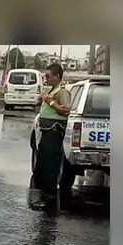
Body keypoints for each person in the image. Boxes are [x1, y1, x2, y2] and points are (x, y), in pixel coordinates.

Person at [31, 63, 72, 209]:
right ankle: (44, 195)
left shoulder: (62, 92)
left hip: (54, 133)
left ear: (57, 76)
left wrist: (50, 101)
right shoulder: (53, 90)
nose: (45, 79)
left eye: (48, 76)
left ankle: (50, 199)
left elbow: (66, 110)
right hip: (46, 132)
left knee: (49, 167)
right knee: (42, 165)